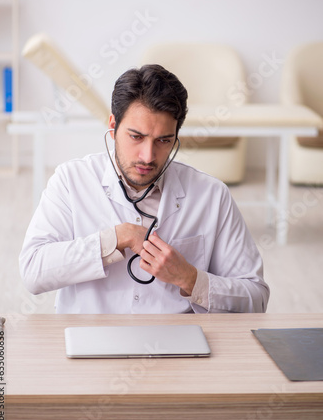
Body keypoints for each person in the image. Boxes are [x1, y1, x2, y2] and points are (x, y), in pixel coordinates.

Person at [19, 64, 270, 314]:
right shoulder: (70, 181)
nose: (148, 156)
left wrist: (191, 279)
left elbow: (256, 299)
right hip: (91, 338)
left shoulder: (212, 196)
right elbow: (33, 272)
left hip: (177, 343)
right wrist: (115, 239)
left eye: (163, 140)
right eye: (136, 137)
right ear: (113, 126)